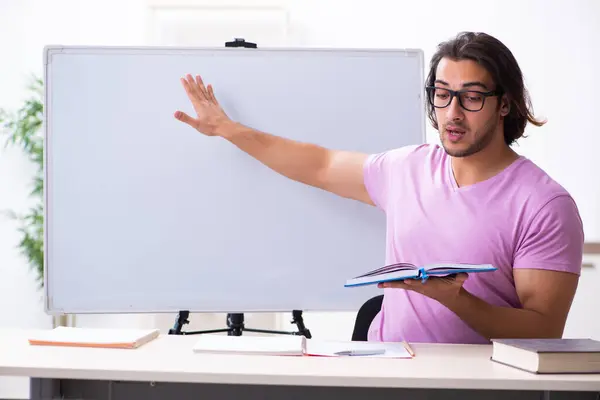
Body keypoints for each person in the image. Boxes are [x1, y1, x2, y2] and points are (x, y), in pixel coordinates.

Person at [173, 31, 584, 344]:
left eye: (471, 97)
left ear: (505, 103)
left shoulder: (544, 204)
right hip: (386, 373)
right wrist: (228, 130)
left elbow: (543, 330)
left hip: (479, 384)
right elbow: (318, 164)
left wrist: (453, 298)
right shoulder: (408, 168)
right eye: (442, 96)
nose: (452, 114)